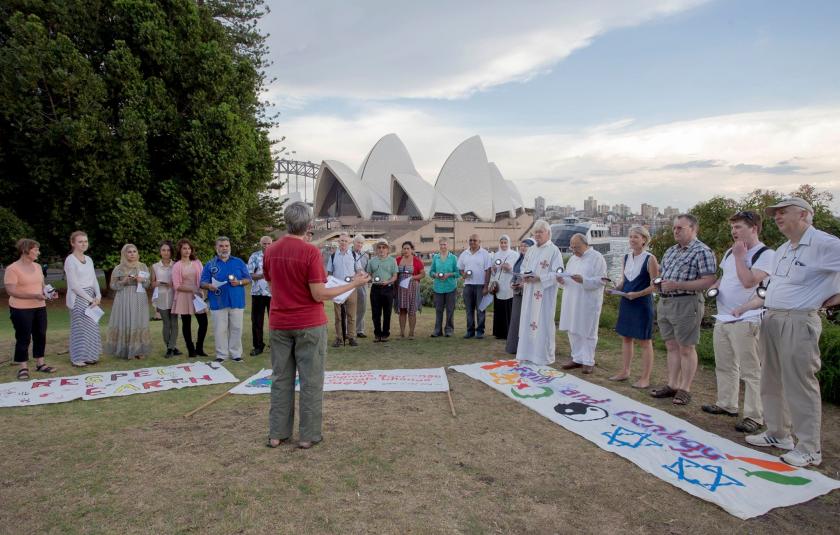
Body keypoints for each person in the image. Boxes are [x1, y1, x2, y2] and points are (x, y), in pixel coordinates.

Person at [733, 197, 840, 467]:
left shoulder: (825, 244)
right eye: (775, 214)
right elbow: (773, 286)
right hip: (772, 318)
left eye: (783, 212)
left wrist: (836, 296)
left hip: (798, 320)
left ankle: (809, 448)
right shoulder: (783, 249)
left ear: (803, 214)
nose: (777, 217)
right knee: (771, 378)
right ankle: (778, 433)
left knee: (799, 383)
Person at [263, 202, 370, 449]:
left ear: (286, 222)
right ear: (309, 225)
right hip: (308, 324)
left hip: (279, 323)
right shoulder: (310, 252)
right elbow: (319, 294)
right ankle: (308, 435)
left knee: (281, 379)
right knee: (310, 380)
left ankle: (277, 433)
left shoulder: (271, 251)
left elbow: (272, 285)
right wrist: (353, 284)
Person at [702, 211, 773, 434]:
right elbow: (726, 276)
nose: (734, 231)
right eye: (733, 227)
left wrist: (741, 256)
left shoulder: (765, 254)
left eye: (739, 227)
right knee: (724, 363)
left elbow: (748, 281)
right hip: (724, 316)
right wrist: (715, 287)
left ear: (754, 228)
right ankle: (727, 403)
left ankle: (754, 415)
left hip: (747, 318)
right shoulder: (730, 253)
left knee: (751, 370)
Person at [650, 214, 717, 405]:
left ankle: (685, 388)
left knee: (686, 347)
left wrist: (678, 284)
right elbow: (663, 273)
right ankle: (672, 384)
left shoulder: (702, 251)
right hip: (665, 301)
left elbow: (709, 280)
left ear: (693, 229)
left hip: (687, 302)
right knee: (671, 346)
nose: (676, 231)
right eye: (674, 228)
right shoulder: (671, 250)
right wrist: (659, 283)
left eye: (680, 228)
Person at [611, 226, 659, 388]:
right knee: (625, 337)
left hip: (642, 303)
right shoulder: (625, 257)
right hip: (626, 302)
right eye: (630, 237)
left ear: (644, 240)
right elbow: (624, 282)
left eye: (636, 237)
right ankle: (625, 371)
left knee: (645, 341)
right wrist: (614, 288)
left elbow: (655, 286)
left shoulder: (650, 259)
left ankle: (645, 378)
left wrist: (637, 294)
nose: (632, 239)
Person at [4, 239, 58, 379]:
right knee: (23, 337)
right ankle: (23, 367)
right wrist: (33, 295)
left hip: (39, 307)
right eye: (35, 250)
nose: (38, 252)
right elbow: (11, 291)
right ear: (25, 250)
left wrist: (49, 292)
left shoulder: (38, 267)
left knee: (40, 334)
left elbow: (41, 285)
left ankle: (40, 364)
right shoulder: (12, 268)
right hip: (20, 308)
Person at [558, 234, 608, 374]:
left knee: (588, 330)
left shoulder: (597, 258)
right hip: (572, 299)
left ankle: (588, 360)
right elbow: (568, 278)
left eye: (577, 247)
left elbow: (602, 280)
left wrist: (584, 280)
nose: (574, 250)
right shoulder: (572, 259)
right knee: (573, 328)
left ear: (585, 244)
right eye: (572, 247)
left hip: (588, 300)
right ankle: (577, 358)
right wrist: (562, 281)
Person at [516, 221, 564, 364]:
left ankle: (542, 356)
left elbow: (558, 273)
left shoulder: (554, 251)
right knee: (527, 320)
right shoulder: (531, 250)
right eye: (535, 232)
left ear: (548, 233)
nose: (537, 235)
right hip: (530, 291)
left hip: (544, 294)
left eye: (540, 232)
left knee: (542, 323)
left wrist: (540, 278)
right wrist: (525, 275)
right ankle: (526, 353)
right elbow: (523, 267)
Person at [201, 237, 251, 362]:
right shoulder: (210, 264)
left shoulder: (238, 262)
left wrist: (239, 282)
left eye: (226, 246)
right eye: (221, 246)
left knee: (236, 328)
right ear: (216, 248)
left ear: (230, 247)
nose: (224, 248)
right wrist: (209, 286)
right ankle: (221, 355)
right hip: (218, 302)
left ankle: (236, 354)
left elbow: (248, 279)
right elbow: (202, 282)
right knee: (220, 330)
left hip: (236, 301)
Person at [104, 244, 152, 359]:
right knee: (125, 320)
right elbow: (112, 285)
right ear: (124, 254)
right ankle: (125, 349)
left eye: (134, 251)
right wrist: (123, 282)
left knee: (139, 321)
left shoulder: (143, 266)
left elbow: (148, 284)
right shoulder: (118, 268)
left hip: (139, 297)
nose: (132, 254)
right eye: (129, 252)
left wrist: (142, 280)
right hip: (123, 298)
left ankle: (139, 350)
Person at [63, 231, 102, 367]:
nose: (83, 244)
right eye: (80, 241)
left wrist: (98, 295)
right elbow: (74, 285)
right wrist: (90, 299)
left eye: (85, 241)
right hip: (78, 297)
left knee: (92, 327)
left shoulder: (89, 259)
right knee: (80, 328)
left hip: (91, 295)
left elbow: (94, 279)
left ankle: (91, 356)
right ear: (73, 243)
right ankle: (77, 358)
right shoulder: (70, 260)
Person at [172, 239, 208, 358]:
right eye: (184, 248)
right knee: (186, 324)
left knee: (203, 322)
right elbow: (177, 286)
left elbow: (202, 279)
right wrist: (192, 289)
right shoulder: (177, 265)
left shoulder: (197, 262)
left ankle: (199, 348)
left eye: (189, 248)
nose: (187, 251)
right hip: (184, 296)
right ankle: (191, 349)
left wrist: (202, 291)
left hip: (197, 297)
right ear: (180, 250)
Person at [326, 232, 362, 347]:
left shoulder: (354, 255)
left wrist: (356, 277)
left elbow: (359, 271)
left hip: (351, 288)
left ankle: (351, 337)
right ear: (338, 242)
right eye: (341, 241)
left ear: (349, 242)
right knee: (338, 316)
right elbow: (329, 273)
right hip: (338, 289)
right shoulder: (332, 256)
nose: (343, 243)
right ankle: (339, 338)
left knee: (351, 314)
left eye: (345, 241)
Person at [458, 234, 492, 339]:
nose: (472, 242)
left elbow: (488, 270)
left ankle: (480, 331)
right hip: (468, 285)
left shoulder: (485, 254)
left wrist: (486, 286)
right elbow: (460, 268)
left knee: (480, 309)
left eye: (474, 240)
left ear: (479, 241)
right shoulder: (464, 254)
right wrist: (463, 274)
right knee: (469, 310)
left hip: (480, 285)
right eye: (470, 240)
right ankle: (470, 331)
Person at [151, 240, 180, 358]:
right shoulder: (155, 266)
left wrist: (173, 284)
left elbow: (180, 280)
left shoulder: (176, 265)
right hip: (161, 297)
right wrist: (157, 283)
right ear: (160, 252)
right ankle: (170, 347)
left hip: (174, 297)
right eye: (163, 250)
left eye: (168, 250)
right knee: (166, 323)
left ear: (171, 251)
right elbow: (152, 284)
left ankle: (171, 348)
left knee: (174, 323)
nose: (166, 252)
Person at [365, 239, 398, 342]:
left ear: (387, 249)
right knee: (376, 313)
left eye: (383, 247)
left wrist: (388, 282)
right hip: (375, 289)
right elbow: (368, 274)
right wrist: (370, 279)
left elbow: (395, 276)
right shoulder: (372, 261)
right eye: (379, 247)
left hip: (388, 289)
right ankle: (377, 334)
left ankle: (385, 334)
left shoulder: (392, 261)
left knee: (387, 313)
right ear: (376, 249)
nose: (381, 249)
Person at [505, 238, 533, 354]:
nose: (523, 248)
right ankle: (514, 346)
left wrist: (524, 283)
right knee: (516, 319)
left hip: (528, 293)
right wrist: (512, 283)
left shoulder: (533, 260)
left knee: (527, 320)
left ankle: (526, 348)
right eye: (521, 246)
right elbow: (515, 274)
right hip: (517, 293)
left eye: (526, 246)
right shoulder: (519, 259)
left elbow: (534, 276)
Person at [429, 238, 460, 337]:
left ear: (448, 245)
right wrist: (436, 275)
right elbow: (431, 272)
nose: (443, 246)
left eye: (445, 244)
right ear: (439, 245)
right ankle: (437, 330)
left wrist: (449, 274)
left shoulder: (453, 258)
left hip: (450, 287)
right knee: (438, 310)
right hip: (438, 288)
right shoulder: (435, 258)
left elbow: (458, 273)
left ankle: (449, 330)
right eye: (441, 244)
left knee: (450, 310)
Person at [248, 235, 273, 356]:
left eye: (269, 244)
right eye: (264, 244)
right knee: (257, 321)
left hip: (273, 293)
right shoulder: (254, 256)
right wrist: (264, 275)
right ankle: (258, 346)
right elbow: (250, 275)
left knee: (275, 321)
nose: (267, 246)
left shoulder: (276, 255)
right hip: (257, 293)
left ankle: (275, 344)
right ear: (260, 243)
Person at [490, 235, 519, 339]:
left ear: (509, 243)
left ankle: (508, 333)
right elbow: (494, 272)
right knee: (499, 309)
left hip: (508, 284)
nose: (503, 245)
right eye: (501, 242)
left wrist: (501, 265)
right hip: (498, 285)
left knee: (508, 309)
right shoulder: (496, 254)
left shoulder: (514, 254)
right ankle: (499, 332)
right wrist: (494, 269)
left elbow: (510, 268)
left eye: (505, 242)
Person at [395, 241, 425, 339]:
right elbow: (394, 274)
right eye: (404, 248)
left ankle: (411, 333)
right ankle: (402, 333)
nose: (406, 250)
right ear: (402, 250)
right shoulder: (397, 260)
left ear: (412, 250)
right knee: (402, 310)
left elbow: (423, 274)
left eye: (408, 248)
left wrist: (412, 278)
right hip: (401, 289)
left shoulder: (417, 261)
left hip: (412, 288)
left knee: (412, 311)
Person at [352, 234, 369, 338]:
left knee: (362, 307)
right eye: (358, 242)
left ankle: (359, 330)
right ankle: (347, 330)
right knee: (349, 307)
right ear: (354, 243)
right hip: (350, 284)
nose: (359, 244)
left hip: (361, 284)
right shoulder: (348, 253)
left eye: (361, 243)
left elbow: (367, 270)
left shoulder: (365, 256)